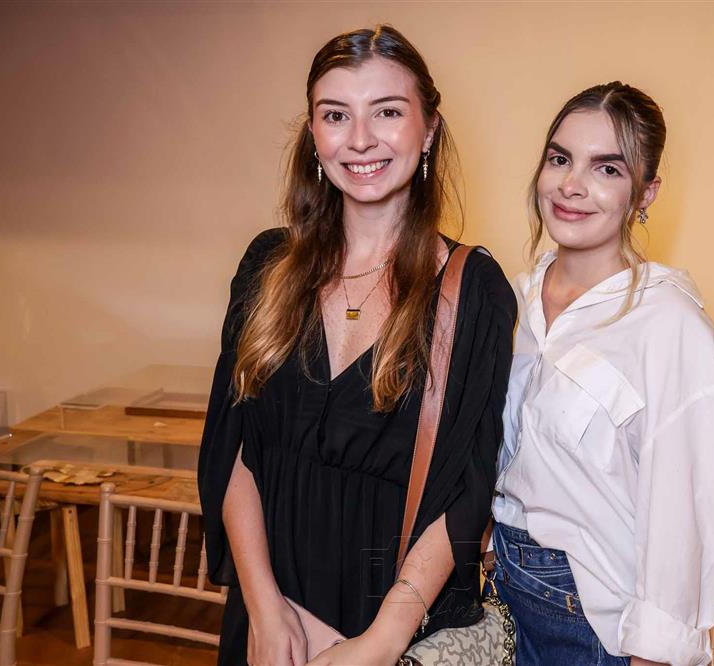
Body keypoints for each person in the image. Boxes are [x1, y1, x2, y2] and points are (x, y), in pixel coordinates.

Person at [197, 25, 516, 666]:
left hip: (387, 623)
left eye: (388, 112)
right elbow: (231, 448)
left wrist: (381, 641)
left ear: (429, 129)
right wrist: (264, 608)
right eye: (336, 114)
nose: (361, 139)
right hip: (268, 618)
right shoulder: (267, 266)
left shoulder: (473, 290)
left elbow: (467, 489)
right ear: (314, 134)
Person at [490, 82, 714, 666]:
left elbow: (687, 509)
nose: (571, 185)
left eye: (607, 169)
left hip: (595, 625)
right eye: (560, 159)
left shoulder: (670, 326)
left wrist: (653, 653)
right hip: (502, 592)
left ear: (645, 192)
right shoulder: (514, 300)